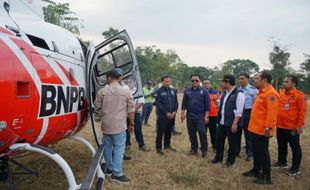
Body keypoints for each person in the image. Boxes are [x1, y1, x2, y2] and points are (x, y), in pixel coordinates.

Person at [94, 68, 134, 184]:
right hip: (119, 126)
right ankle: (117, 174)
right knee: (118, 149)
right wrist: (132, 123)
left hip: (106, 125)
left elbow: (96, 107)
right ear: (119, 78)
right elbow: (131, 110)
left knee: (107, 147)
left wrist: (99, 116)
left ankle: (109, 169)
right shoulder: (126, 92)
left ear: (109, 78)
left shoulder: (102, 92)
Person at [243, 71, 279, 185]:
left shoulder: (271, 93)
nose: (255, 80)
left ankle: (266, 177)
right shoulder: (260, 92)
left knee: (263, 152)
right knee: (257, 151)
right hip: (254, 128)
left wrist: (268, 128)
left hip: (262, 130)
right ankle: (256, 170)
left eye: (257, 78)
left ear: (264, 80)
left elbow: (272, 114)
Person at [273, 75, 307, 176]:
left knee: (295, 147)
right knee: (281, 145)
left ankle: (295, 168)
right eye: (284, 81)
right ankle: (282, 162)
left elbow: (302, 112)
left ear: (294, 84)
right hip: (280, 126)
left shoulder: (300, 96)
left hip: (292, 128)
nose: (284, 83)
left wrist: (299, 126)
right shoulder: (281, 93)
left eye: (286, 82)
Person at [211, 74, 245, 167]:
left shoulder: (239, 94)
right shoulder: (224, 92)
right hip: (222, 122)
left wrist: (235, 123)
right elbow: (222, 106)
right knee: (219, 141)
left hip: (232, 123)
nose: (222, 83)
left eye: (223, 81)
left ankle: (230, 162)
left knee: (232, 143)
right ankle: (218, 158)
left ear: (228, 82)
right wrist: (215, 101)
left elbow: (239, 111)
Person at [181, 74, 210, 157]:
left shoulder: (204, 91)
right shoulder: (187, 91)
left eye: (196, 80)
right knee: (191, 134)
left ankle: (204, 150)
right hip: (190, 117)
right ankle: (194, 149)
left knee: (202, 133)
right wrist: (182, 114)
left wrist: (206, 116)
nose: (194, 82)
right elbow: (184, 104)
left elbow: (207, 105)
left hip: (200, 117)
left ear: (199, 81)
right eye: (192, 80)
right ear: (190, 81)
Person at [236, 73, 258, 161]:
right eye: (240, 78)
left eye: (243, 78)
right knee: (237, 134)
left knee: (248, 135)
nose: (241, 80)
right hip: (239, 113)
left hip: (249, 113)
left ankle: (250, 154)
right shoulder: (237, 90)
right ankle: (235, 152)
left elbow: (256, 104)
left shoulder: (254, 90)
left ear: (248, 79)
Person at [155, 76, 178, 154]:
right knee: (160, 132)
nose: (168, 83)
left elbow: (176, 102)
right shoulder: (159, 91)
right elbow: (159, 104)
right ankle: (158, 148)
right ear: (162, 82)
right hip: (162, 116)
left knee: (168, 131)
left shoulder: (173, 91)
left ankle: (167, 145)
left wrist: (174, 111)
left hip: (172, 115)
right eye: (166, 81)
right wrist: (166, 113)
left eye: (169, 81)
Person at [126, 77, 150, 152]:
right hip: (125, 114)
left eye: (131, 82)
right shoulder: (124, 90)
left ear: (135, 82)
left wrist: (131, 112)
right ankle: (127, 143)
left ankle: (141, 145)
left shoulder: (138, 91)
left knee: (138, 130)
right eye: (128, 82)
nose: (129, 83)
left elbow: (140, 103)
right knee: (126, 129)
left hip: (135, 113)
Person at [202, 79, 220, 151]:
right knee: (203, 132)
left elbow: (219, 104)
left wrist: (215, 99)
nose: (206, 84)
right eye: (204, 83)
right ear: (202, 84)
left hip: (214, 115)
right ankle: (204, 146)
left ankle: (215, 146)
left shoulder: (215, 92)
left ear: (210, 84)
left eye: (207, 83)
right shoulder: (200, 92)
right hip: (203, 115)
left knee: (214, 132)